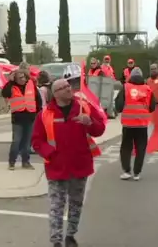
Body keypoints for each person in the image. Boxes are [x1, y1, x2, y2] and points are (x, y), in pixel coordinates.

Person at [32, 78, 105, 247]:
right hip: (56, 167)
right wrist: (51, 154)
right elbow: (37, 141)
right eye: (62, 88)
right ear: (55, 94)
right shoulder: (45, 114)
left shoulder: (84, 107)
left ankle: (70, 236)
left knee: (76, 204)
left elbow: (100, 129)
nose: (68, 89)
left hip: (80, 164)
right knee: (56, 206)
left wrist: (90, 122)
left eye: (68, 86)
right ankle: (56, 241)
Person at [115, 67, 155, 180]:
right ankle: (137, 173)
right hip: (142, 123)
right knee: (141, 147)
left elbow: (118, 105)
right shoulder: (148, 89)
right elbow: (152, 107)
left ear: (131, 76)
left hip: (128, 123)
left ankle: (127, 171)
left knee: (126, 147)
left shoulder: (125, 87)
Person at [2, 68, 42, 170]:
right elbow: (4, 93)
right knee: (16, 141)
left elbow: (38, 99)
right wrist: (10, 82)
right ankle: (12, 162)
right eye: (19, 77)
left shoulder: (31, 84)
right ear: (15, 78)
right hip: (17, 119)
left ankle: (26, 162)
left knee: (27, 142)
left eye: (23, 76)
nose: (22, 79)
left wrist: (39, 112)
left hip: (30, 117)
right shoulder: (11, 86)